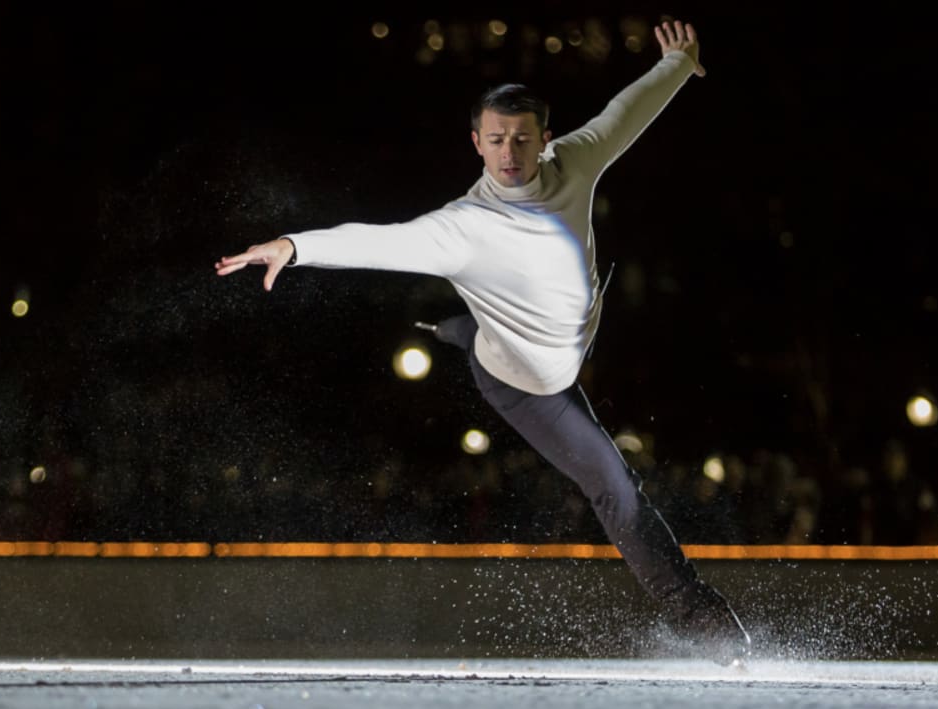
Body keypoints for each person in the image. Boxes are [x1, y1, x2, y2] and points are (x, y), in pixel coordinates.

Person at [216, 19, 750, 664]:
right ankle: (701, 617)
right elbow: (375, 239)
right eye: (496, 140)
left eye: (523, 139)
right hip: (528, 384)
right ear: (476, 143)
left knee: (470, 329)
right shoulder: (463, 228)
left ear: (545, 140)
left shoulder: (574, 162)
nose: (510, 153)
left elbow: (623, 114)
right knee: (614, 486)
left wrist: (677, 64)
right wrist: (294, 246)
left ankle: (458, 328)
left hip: (566, 342)